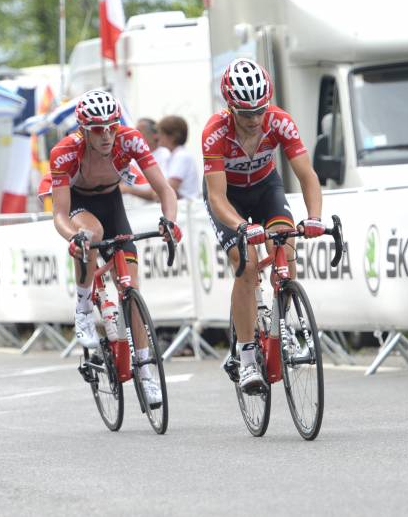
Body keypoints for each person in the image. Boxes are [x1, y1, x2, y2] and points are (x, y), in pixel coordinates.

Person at [48, 89, 181, 404]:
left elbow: (164, 189)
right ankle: (83, 307)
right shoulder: (66, 151)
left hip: (112, 200)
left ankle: (146, 372)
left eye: (112, 126)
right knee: (91, 234)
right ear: (83, 130)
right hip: (79, 202)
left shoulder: (129, 139)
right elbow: (60, 214)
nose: (107, 135)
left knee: (131, 290)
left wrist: (170, 222)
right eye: (98, 129)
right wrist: (73, 236)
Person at [202, 58, 325, 393]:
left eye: (260, 110)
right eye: (246, 113)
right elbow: (216, 198)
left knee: (284, 245)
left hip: (266, 187)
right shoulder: (215, 133)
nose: (255, 119)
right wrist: (242, 227)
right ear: (230, 108)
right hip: (229, 198)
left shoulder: (280, 122)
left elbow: (307, 176)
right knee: (247, 266)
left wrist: (314, 217)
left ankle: (282, 322)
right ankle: (245, 358)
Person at [122, 117, 168, 203]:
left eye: (139, 132)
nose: (135, 136)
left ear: (155, 135)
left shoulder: (164, 154)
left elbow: (159, 192)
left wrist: (128, 190)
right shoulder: (134, 158)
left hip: (154, 210)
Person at [157, 115, 200, 200]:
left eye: (161, 133)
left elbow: (168, 190)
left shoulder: (181, 156)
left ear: (172, 137)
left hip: (184, 210)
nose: (158, 137)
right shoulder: (172, 156)